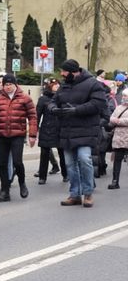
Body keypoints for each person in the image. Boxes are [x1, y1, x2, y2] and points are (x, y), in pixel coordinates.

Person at [50, 59, 107, 207]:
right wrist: (52, 109)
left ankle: (88, 193)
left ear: (73, 71)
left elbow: (98, 104)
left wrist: (76, 110)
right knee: (70, 165)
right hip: (67, 131)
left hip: (86, 131)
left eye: (64, 71)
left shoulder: (93, 84)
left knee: (85, 160)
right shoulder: (64, 86)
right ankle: (74, 194)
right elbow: (53, 101)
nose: (61, 74)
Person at [0, 73, 37, 202]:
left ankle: (22, 183)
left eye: (10, 84)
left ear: (15, 85)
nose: (7, 87)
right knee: (2, 164)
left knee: (17, 162)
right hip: (1, 135)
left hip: (17, 135)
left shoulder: (25, 98)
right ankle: (4, 191)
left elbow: (32, 117)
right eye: (5, 84)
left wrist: (32, 135)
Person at [36, 78, 67, 184]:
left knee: (62, 153)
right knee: (44, 153)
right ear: (49, 86)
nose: (57, 86)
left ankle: (66, 174)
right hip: (46, 129)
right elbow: (37, 115)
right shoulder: (43, 99)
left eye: (58, 84)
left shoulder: (62, 97)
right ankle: (42, 176)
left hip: (59, 128)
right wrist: (34, 130)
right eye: (54, 84)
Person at [107, 88, 128, 189]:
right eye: (123, 96)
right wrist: (117, 120)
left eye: (125, 96)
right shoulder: (119, 107)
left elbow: (117, 120)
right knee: (117, 160)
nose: (123, 98)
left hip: (125, 135)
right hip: (119, 137)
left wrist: (118, 121)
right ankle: (115, 181)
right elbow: (111, 118)